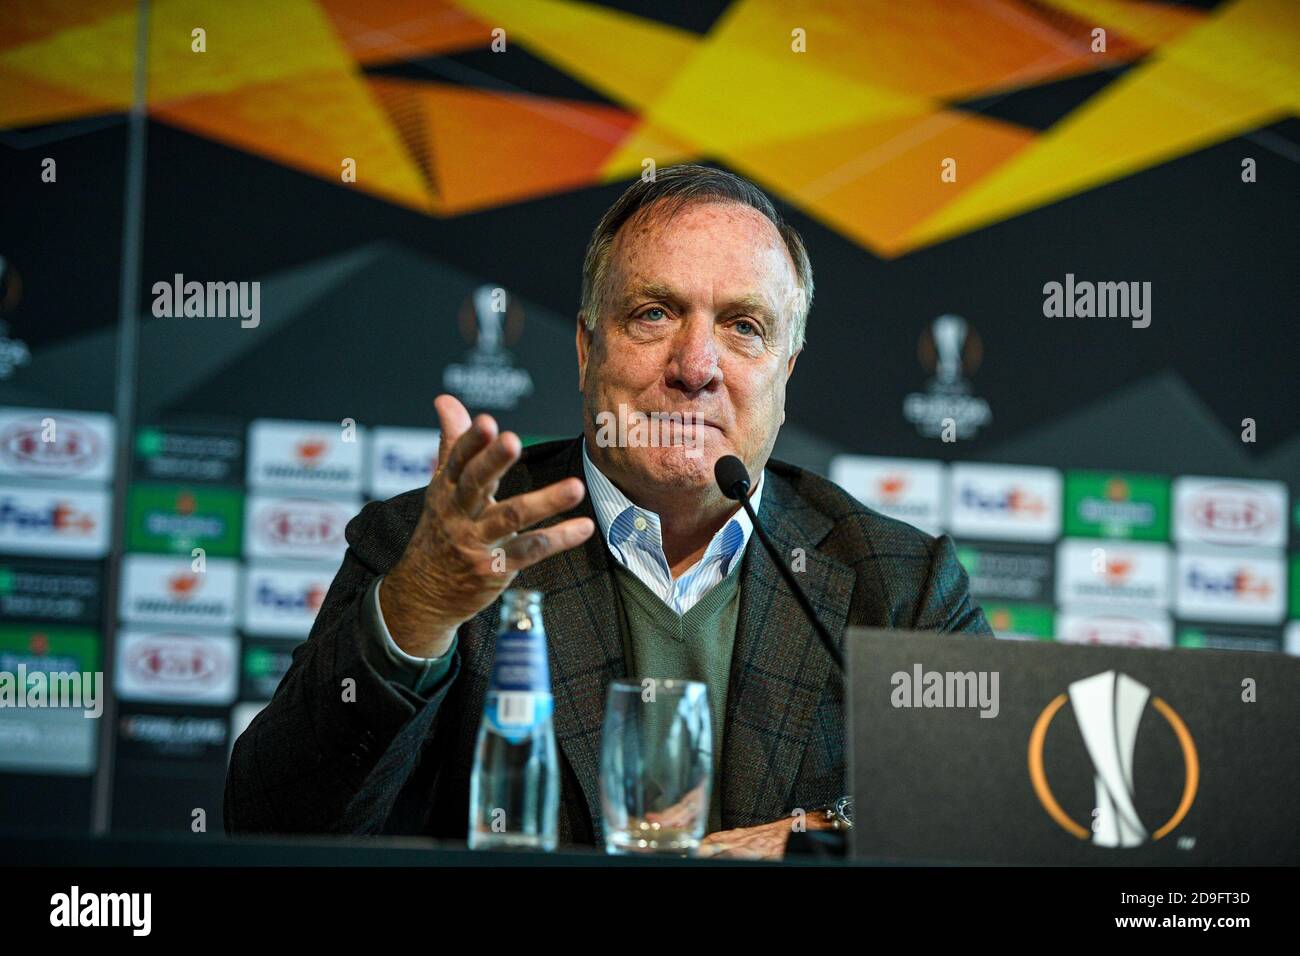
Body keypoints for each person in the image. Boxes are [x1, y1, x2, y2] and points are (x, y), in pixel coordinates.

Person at [225, 165, 991, 859]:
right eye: (654, 314)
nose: (696, 369)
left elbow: (994, 817)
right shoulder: (441, 545)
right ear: (588, 351)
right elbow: (272, 829)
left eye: (744, 328)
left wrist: (812, 834)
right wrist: (421, 610)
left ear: (785, 373)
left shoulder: (896, 587)